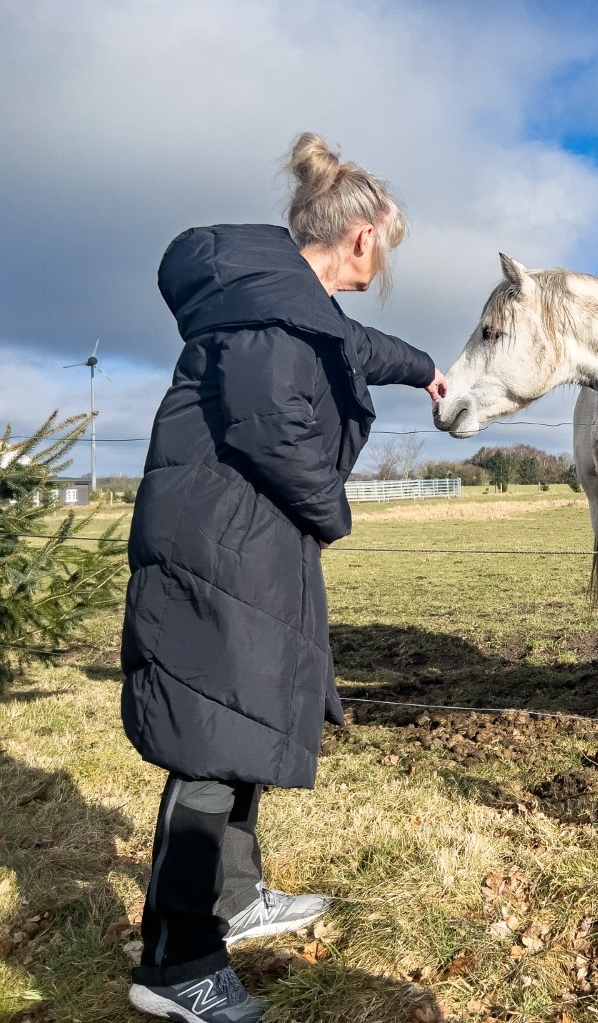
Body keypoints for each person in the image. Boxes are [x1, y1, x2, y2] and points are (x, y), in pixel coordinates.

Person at [121, 133, 446, 1022]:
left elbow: (357, 347)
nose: (383, 262)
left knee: (242, 716)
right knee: (208, 743)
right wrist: (332, 512)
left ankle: (233, 899)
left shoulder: (289, 306)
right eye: (387, 245)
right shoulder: (272, 316)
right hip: (219, 546)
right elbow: (272, 425)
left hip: (241, 542)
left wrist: (427, 370)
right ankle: (175, 964)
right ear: (362, 238)